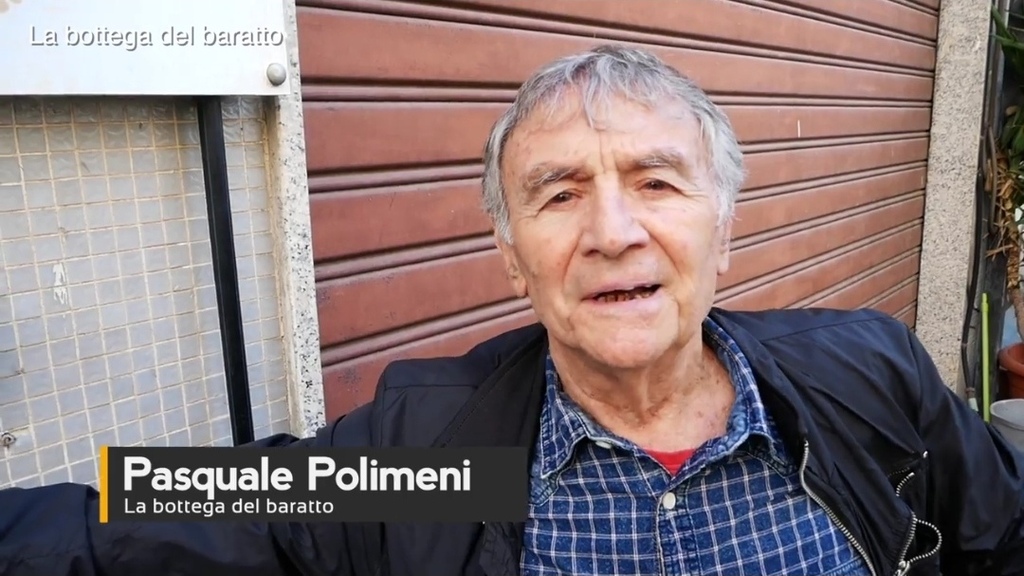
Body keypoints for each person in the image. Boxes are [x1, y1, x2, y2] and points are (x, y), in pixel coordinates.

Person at [2, 44, 1024, 576]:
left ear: (723, 228)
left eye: (656, 183)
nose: (613, 231)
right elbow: (171, 514)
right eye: (559, 193)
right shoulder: (442, 454)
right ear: (508, 255)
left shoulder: (863, 384)